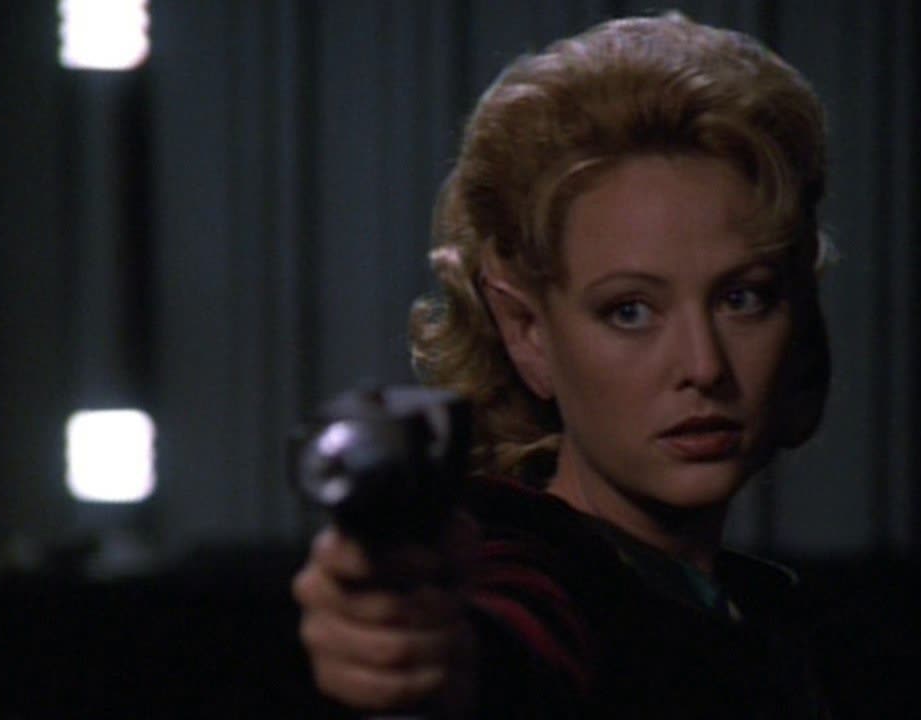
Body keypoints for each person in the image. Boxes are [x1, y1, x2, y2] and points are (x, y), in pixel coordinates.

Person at [293, 11, 832, 718]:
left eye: (742, 298)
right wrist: (420, 647)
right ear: (526, 331)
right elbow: (512, 644)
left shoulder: (755, 609)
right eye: (629, 311)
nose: (704, 367)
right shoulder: (526, 576)